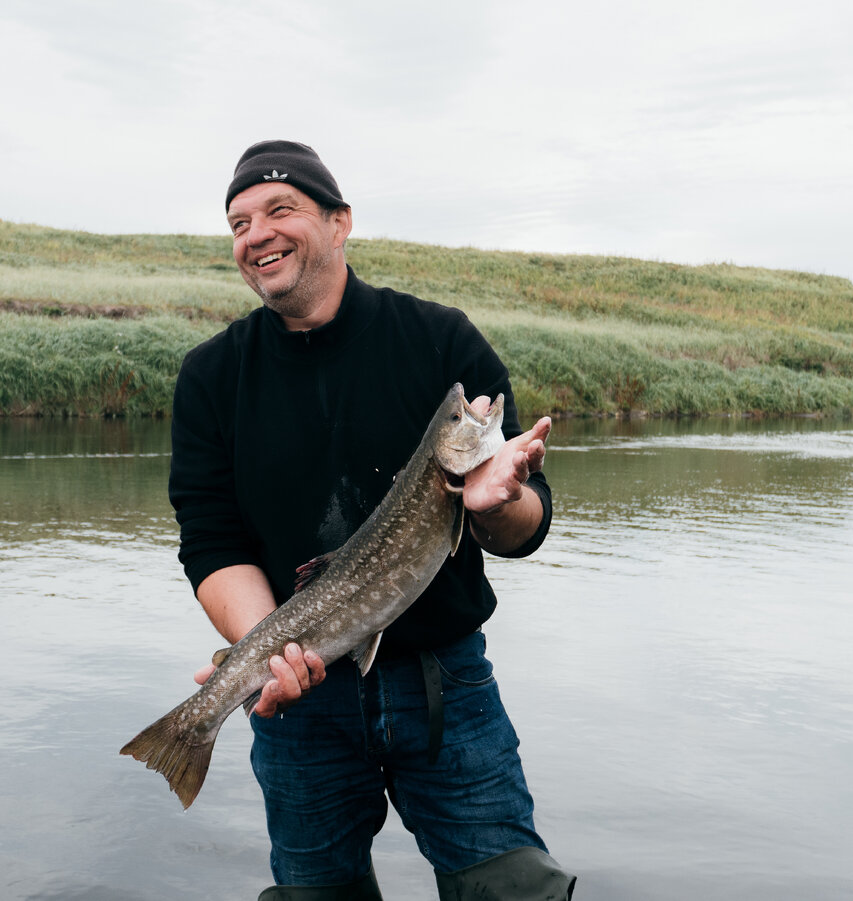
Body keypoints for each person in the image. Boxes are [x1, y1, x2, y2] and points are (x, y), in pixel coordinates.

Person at [168, 140, 576, 900]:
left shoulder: (439, 340)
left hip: (445, 684)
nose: (255, 233)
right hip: (300, 703)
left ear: (340, 222)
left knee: (517, 888)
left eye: (279, 209)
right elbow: (211, 542)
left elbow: (527, 524)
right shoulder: (210, 379)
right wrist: (269, 654)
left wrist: (500, 503)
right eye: (238, 222)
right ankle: (194, 727)